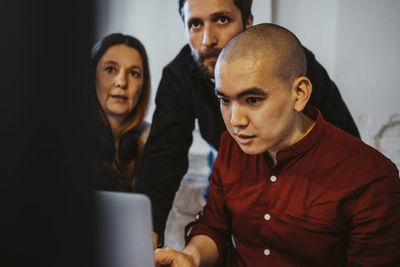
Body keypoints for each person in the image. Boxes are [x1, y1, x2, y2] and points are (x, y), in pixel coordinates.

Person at [154, 23, 400, 267]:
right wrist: (191, 257)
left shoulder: (371, 178)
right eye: (224, 100)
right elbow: (214, 226)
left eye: (252, 99)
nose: (235, 121)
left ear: (300, 93)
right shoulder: (231, 146)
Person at [135, 0, 360, 247]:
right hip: (225, 167)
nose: (208, 39)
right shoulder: (179, 75)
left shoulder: (289, 64)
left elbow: (346, 145)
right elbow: (162, 159)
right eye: (195, 24)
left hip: (301, 175)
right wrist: (146, 231)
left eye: (221, 20)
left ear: (248, 21)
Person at [91, 33, 151, 192]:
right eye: (110, 69)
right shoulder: (67, 139)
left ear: (143, 86)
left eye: (134, 73)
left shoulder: (153, 141)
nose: (122, 82)